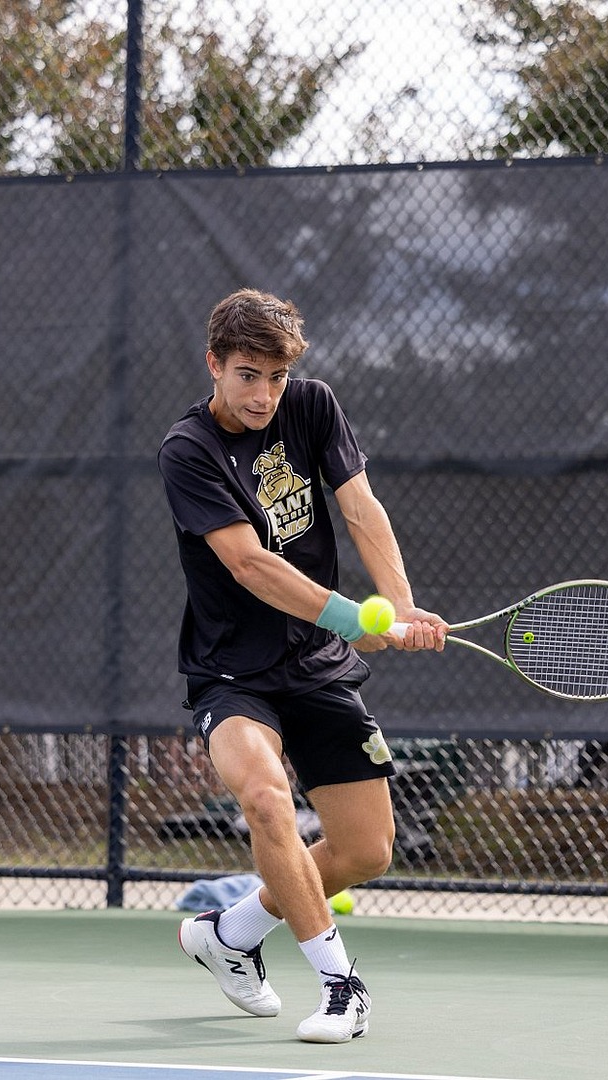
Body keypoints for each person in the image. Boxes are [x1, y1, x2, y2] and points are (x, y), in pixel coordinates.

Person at [158, 288, 446, 1043]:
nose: (264, 394)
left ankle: (230, 934)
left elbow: (360, 508)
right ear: (214, 365)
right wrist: (355, 619)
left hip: (316, 665)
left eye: (276, 377)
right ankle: (341, 985)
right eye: (248, 374)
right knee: (263, 796)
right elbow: (250, 565)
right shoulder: (187, 452)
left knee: (365, 850)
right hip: (233, 671)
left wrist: (401, 605)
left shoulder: (314, 407)